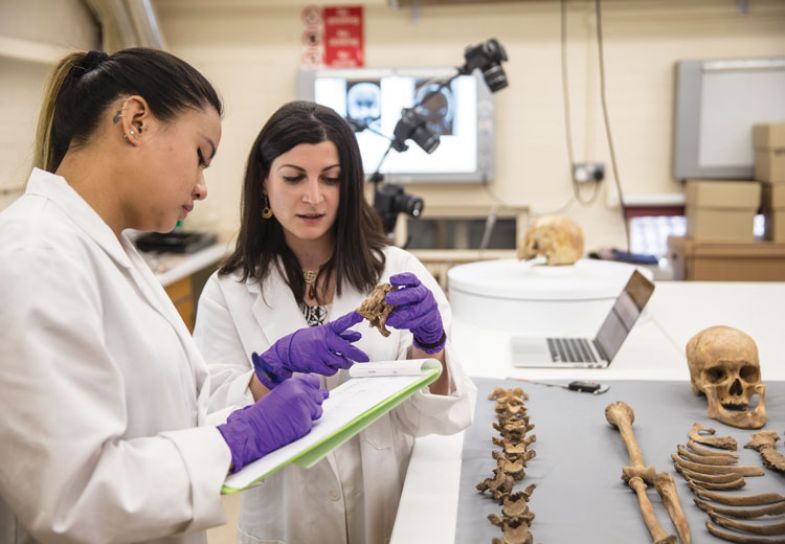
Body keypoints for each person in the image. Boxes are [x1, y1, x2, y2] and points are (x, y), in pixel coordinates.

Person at [0, 50, 354, 544]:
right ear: (137, 121)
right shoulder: (36, 254)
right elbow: (71, 495)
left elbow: (158, 421)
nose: (203, 187)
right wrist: (236, 442)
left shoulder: (105, 248)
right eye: (200, 156)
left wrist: (258, 387)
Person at [193, 100, 476, 544]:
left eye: (331, 179)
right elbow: (207, 415)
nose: (314, 196)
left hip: (387, 509)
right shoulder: (229, 289)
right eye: (293, 177)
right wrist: (270, 371)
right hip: (285, 522)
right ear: (264, 184)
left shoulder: (396, 271)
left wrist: (431, 345)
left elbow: (437, 419)